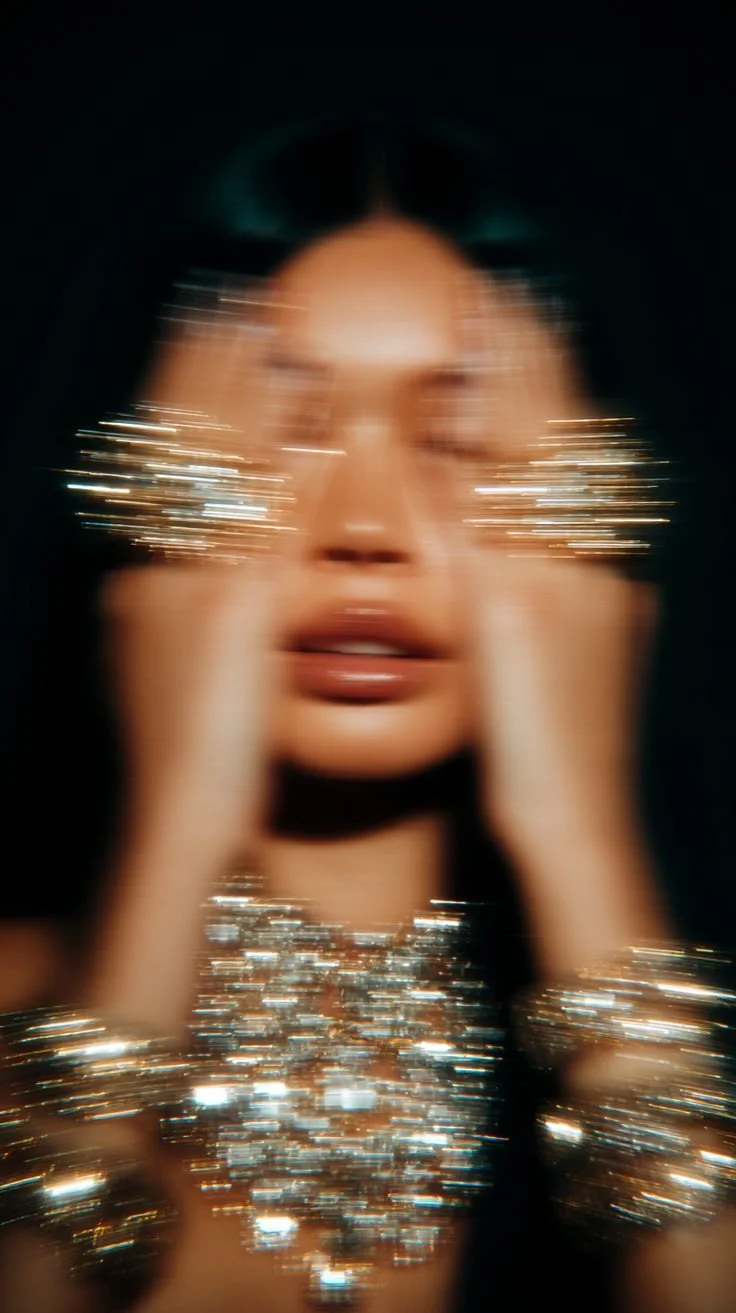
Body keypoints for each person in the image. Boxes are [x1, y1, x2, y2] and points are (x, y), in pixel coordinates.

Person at [1, 116, 734, 1313]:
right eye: (277, 439)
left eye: (455, 441)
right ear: (143, 498)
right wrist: (177, 828)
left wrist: (579, 834)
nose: (366, 526)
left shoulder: (690, 1051)